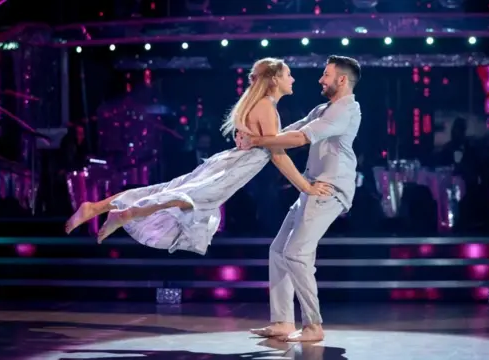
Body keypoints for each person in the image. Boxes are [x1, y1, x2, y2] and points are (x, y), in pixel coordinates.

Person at [64, 57, 332, 250]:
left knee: (173, 191)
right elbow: (278, 154)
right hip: (233, 169)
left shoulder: (263, 105)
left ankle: (98, 207)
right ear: (275, 79)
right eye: (288, 74)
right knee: (189, 200)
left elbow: (279, 140)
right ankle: (126, 214)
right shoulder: (266, 106)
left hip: (231, 164)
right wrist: (305, 187)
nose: (293, 78)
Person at [237, 55, 362, 342]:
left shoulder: (345, 111)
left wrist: (257, 141)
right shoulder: (323, 108)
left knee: (296, 253)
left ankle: (313, 326)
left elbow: (299, 139)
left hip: (329, 190)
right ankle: (282, 321)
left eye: (326, 74)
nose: (321, 79)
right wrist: (251, 136)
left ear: (342, 80)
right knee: (278, 251)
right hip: (312, 187)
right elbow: (286, 133)